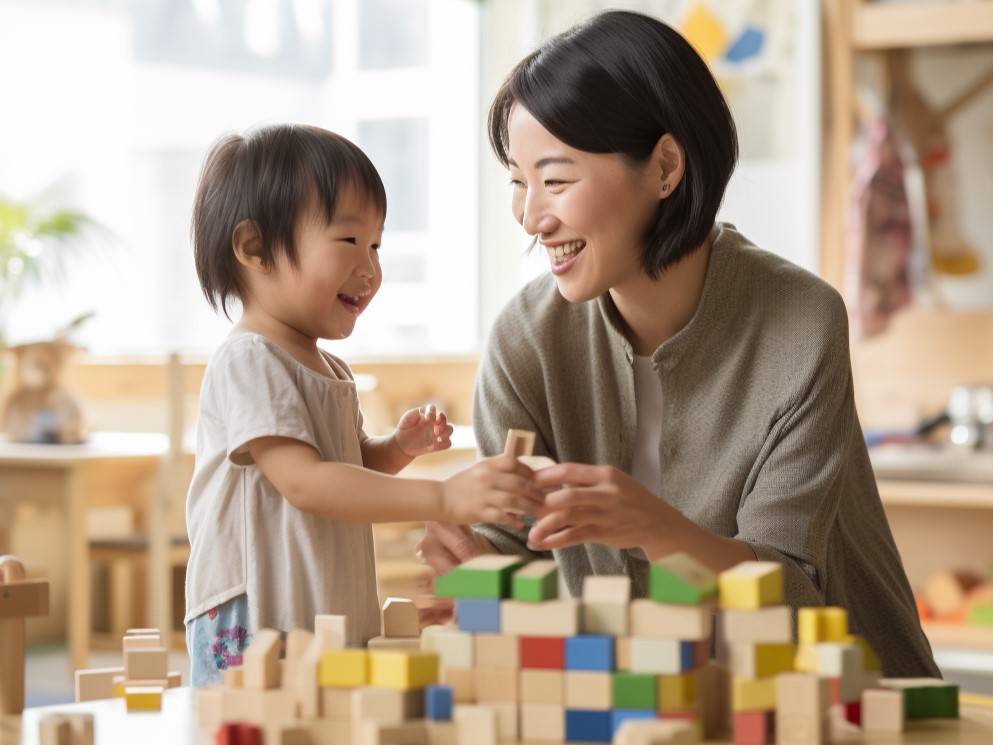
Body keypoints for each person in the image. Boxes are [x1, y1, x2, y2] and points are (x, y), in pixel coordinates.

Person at [417, 9, 939, 678]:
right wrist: (478, 570)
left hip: (841, 699)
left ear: (664, 166)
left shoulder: (798, 323)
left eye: (555, 179)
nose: (530, 216)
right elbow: (521, 549)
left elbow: (788, 593)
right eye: (518, 181)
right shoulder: (525, 341)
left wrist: (653, 526)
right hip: (649, 706)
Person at [185, 123, 542, 685]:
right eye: (349, 241)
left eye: (376, 244)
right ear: (253, 248)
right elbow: (304, 481)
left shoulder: (329, 368)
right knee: (257, 722)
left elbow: (346, 470)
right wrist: (443, 495)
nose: (370, 267)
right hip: (260, 602)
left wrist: (395, 449)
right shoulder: (249, 359)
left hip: (321, 593)